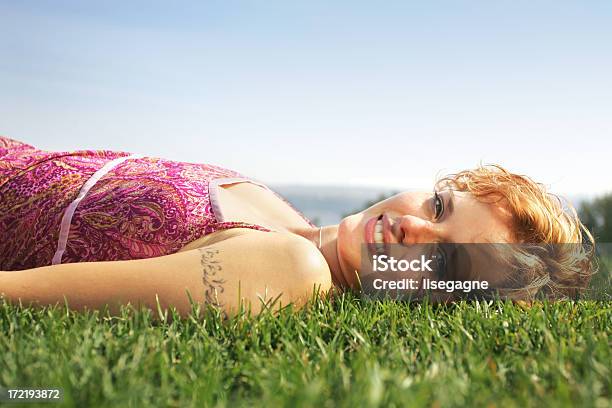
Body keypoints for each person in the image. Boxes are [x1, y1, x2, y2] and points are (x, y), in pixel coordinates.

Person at [0, 136, 595, 317]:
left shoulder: (294, 269)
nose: (417, 226)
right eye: (440, 207)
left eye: (449, 262)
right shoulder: (295, 226)